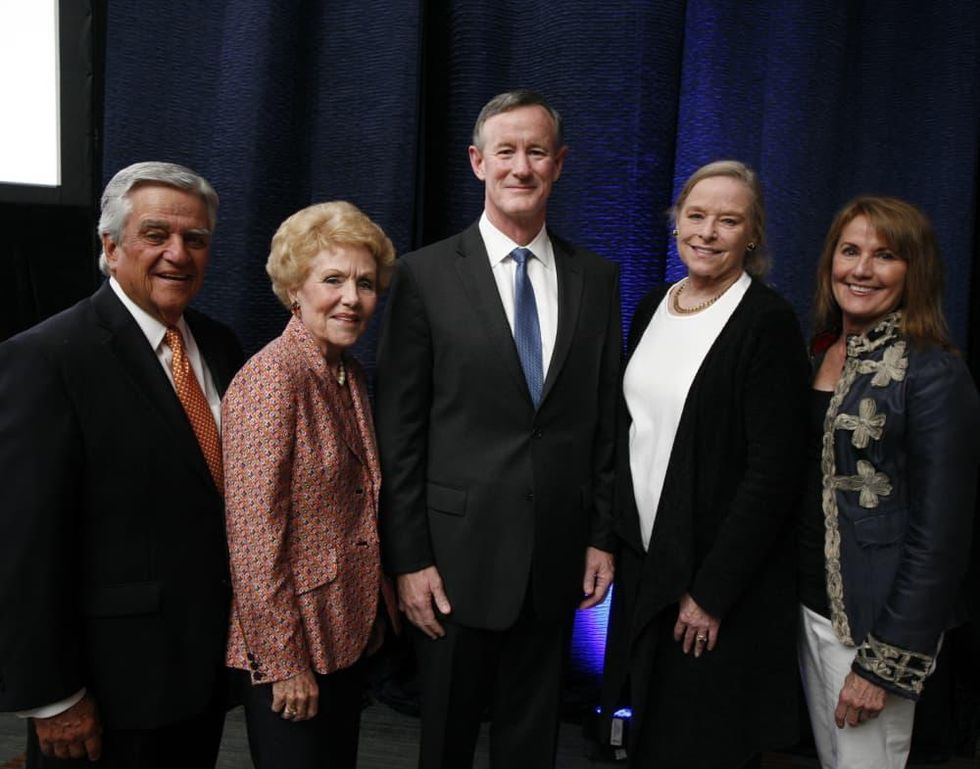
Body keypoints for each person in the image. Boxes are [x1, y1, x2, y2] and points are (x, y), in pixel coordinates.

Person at [374, 89, 621, 769]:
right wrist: (408, 558)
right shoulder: (423, 275)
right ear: (477, 162)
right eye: (506, 151)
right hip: (451, 559)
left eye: (536, 152)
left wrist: (601, 533)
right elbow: (400, 432)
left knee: (531, 741)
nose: (521, 167)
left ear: (560, 163)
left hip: (555, 555)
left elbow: (602, 418)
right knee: (446, 740)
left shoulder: (596, 278)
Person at [0, 162, 245, 768]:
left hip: (200, 676)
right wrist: (51, 697)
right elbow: (23, 544)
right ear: (110, 247)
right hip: (103, 693)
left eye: (195, 239)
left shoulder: (219, 344)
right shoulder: (47, 358)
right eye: (156, 235)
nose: (177, 255)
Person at [602, 160, 810, 768]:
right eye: (696, 216)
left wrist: (711, 593)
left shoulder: (767, 323)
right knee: (648, 737)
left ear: (754, 236)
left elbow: (774, 475)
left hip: (713, 583)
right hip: (647, 567)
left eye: (729, 220)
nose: (708, 232)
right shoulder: (651, 309)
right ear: (676, 224)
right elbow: (630, 434)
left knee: (700, 744)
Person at [797, 196, 980, 768]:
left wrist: (884, 664)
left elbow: (941, 538)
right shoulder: (822, 351)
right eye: (849, 251)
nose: (862, 269)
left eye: (886, 256)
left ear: (915, 270)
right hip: (810, 609)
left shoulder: (934, 371)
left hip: (874, 629)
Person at [222, 201, 398, 769]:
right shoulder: (271, 380)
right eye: (333, 279)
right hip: (291, 646)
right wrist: (283, 662)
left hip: (343, 631)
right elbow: (252, 543)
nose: (352, 297)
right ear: (294, 289)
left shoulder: (349, 372)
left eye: (365, 283)